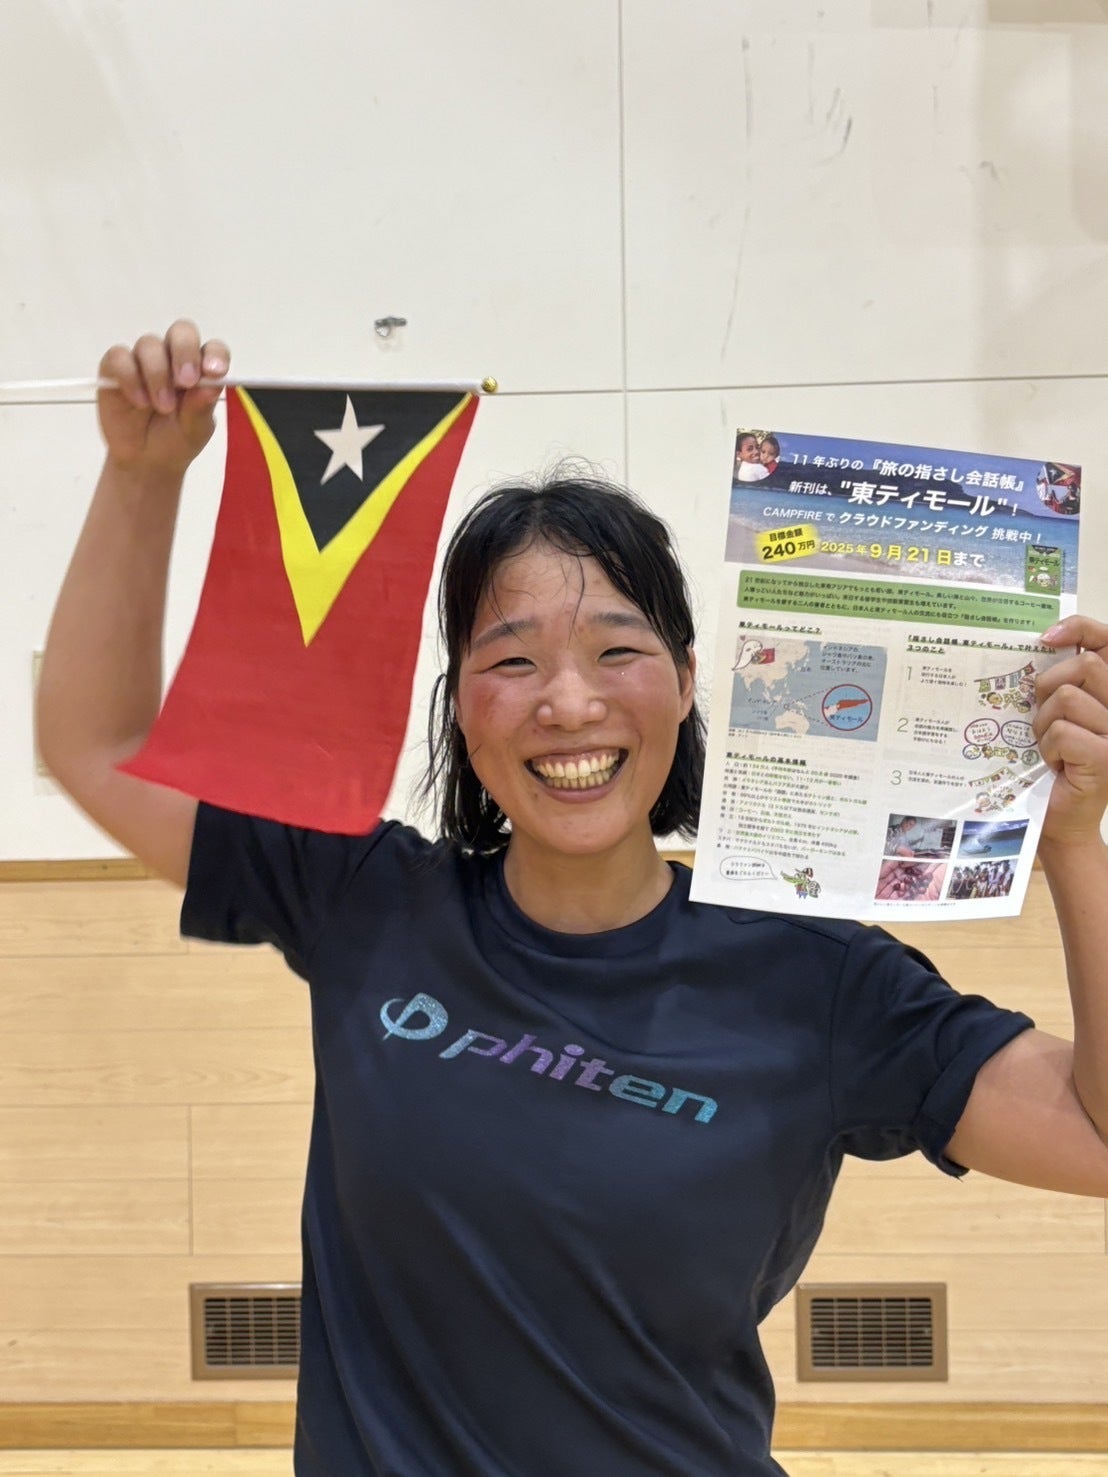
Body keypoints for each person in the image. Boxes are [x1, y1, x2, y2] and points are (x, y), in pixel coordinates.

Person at [37, 321, 1108, 1477]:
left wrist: (1072, 840)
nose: (567, 703)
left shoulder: (818, 978)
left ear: (688, 681)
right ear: (460, 706)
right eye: (511, 660)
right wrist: (142, 473)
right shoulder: (365, 900)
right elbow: (99, 747)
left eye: (615, 651)